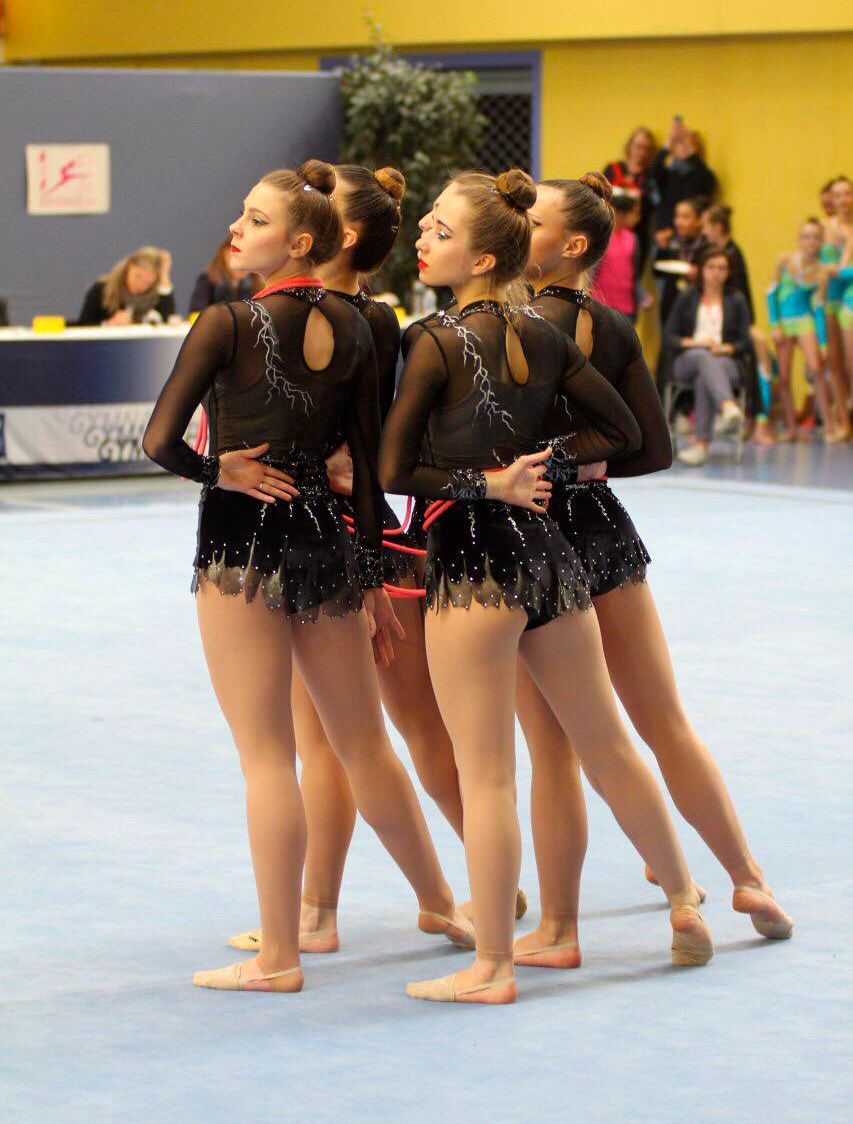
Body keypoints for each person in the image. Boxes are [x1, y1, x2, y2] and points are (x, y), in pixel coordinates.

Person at [380, 168, 713, 1006]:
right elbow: (623, 431)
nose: (422, 237)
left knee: (488, 775)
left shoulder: (432, 340)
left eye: (440, 230)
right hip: (550, 557)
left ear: (482, 256)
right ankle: (682, 897)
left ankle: (491, 965)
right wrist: (550, 466)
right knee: (606, 743)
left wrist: (487, 482)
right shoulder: (544, 333)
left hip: (475, 563)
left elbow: (394, 469)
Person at [143, 159, 473, 995]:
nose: (235, 228)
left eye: (254, 220)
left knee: (267, 759)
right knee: (362, 743)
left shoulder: (227, 322)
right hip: (328, 542)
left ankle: (280, 956)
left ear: (298, 242)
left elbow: (158, 441)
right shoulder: (360, 327)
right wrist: (370, 579)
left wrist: (217, 470)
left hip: (243, 544)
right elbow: (365, 469)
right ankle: (439, 901)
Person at [226, 163, 510, 959]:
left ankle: (485, 876)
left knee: (407, 726)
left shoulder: (369, 321)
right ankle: (328, 907)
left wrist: (348, 470)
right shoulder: (309, 312)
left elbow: (384, 435)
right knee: (331, 734)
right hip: (326, 526)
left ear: (336, 236)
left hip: (370, 532)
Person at [508, 173, 792, 967]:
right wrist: (582, 466)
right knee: (662, 723)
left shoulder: (513, 326)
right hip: (600, 528)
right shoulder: (611, 323)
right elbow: (651, 445)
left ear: (572, 244)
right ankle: (747, 879)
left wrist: (538, 467)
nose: (517, 227)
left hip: (530, 535)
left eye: (531, 219)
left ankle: (559, 928)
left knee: (555, 749)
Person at [665, 246, 752, 465]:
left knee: (706, 374)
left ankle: (701, 446)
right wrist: (696, 343)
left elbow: (745, 342)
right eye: (712, 267)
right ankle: (727, 405)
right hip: (689, 358)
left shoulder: (736, 300)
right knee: (702, 357)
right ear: (702, 270)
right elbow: (669, 336)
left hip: (725, 360)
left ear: (728, 272)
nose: (716, 273)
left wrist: (726, 348)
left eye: (722, 268)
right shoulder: (687, 296)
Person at [702, 204, 776, 443]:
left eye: (706, 226)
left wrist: (745, 325)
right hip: (724, 323)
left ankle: (761, 422)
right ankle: (751, 420)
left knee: (759, 356)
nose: (703, 232)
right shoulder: (719, 252)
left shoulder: (732, 254)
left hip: (736, 324)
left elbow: (743, 294)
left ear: (717, 227)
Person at [767, 219, 841, 442]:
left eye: (816, 237)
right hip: (784, 322)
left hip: (804, 321)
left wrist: (824, 343)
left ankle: (829, 426)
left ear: (821, 241)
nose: (811, 241)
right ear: (799, 239)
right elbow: (771, 294)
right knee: (784, 376)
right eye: (806, 236)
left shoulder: (821, 272)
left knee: (817, 369)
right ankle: (792, 428)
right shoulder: (784, 260)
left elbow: (818, 309)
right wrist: (774, 325)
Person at [819, 177, 852, 438]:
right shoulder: (823, 228)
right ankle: (844, 421)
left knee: (851, 361)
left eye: (847, 194)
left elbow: (841, 270)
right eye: (838, 195)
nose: (843, 200)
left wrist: (839, 271)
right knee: (834, 362)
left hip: (849, 296)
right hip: (829, 298)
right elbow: (815, 264)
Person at [649, 117, 717, 241]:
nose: (683, 148)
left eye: (688, 145)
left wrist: (690, 153)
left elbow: (709, 182)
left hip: (691, 236)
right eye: (679, 144)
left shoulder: (700, 173)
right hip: (663, 234)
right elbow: (653, 172)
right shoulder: (668, 174)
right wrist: (670, 140)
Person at [77, 246, 176, 326]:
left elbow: (167, 319)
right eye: (138, 276)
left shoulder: (156, 296)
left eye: (147, 282)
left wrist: (164, 276)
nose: (140, 285)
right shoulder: (102, 289)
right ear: (128, 268)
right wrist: (108, 324)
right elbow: (83, 324)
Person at [603, 126, 659, 267]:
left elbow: (654, 204)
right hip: (610, 230)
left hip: (638, 233)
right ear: (630, 145)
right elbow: (601, 195)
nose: (642, 152)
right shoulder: (613, 168)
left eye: (646, 148)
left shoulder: (651, 175)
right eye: (639, 146)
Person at [591, 192, 651, 321]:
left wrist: (642, 296)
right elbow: (590, 272)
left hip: (626, 307)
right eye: (634, 213)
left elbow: (634, 275)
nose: (638, 218)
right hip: (601, 305)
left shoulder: (632, 239)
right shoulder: (602, 236)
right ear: (620, 213)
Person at [654, 197, 708, 327]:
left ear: (699, 221)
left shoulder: (706, 246)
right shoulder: (672, 240)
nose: (679, 222)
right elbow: (656, 272)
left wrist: (699, 274)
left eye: (685, 217)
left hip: (695, 308)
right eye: (677, 216)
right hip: (670, 306)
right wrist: (662, 248)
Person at [188, 234, 262, 313]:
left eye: (248, 258)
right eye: (236, 255)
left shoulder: (255, 284)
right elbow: (197, 312)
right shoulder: (209, 280)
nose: (242, 264)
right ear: (224, 254)